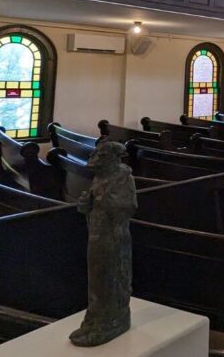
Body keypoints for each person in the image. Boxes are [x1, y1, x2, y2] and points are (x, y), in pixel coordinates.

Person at [69, 141, 137, 347]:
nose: (94, 161)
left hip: (113, 236)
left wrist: (102, 202)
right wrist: (86, 204)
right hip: (96, 233)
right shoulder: (100, 176)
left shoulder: (123, 177)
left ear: (113, 159)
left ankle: (112, 320)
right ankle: (95, 319)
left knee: (111, 276)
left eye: (101, 157)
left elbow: (129, 206)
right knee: (96, 277)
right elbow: (93, 201)